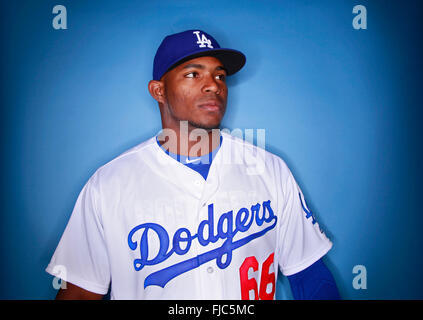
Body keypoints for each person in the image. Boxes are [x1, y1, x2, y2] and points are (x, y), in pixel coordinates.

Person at [46, 29, 340, 300]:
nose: (213, 85)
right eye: (192, 74)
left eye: (220, 76)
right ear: (158, 91)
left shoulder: (270, 169)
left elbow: (311, 277)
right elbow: (80, 293)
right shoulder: (109, 184)